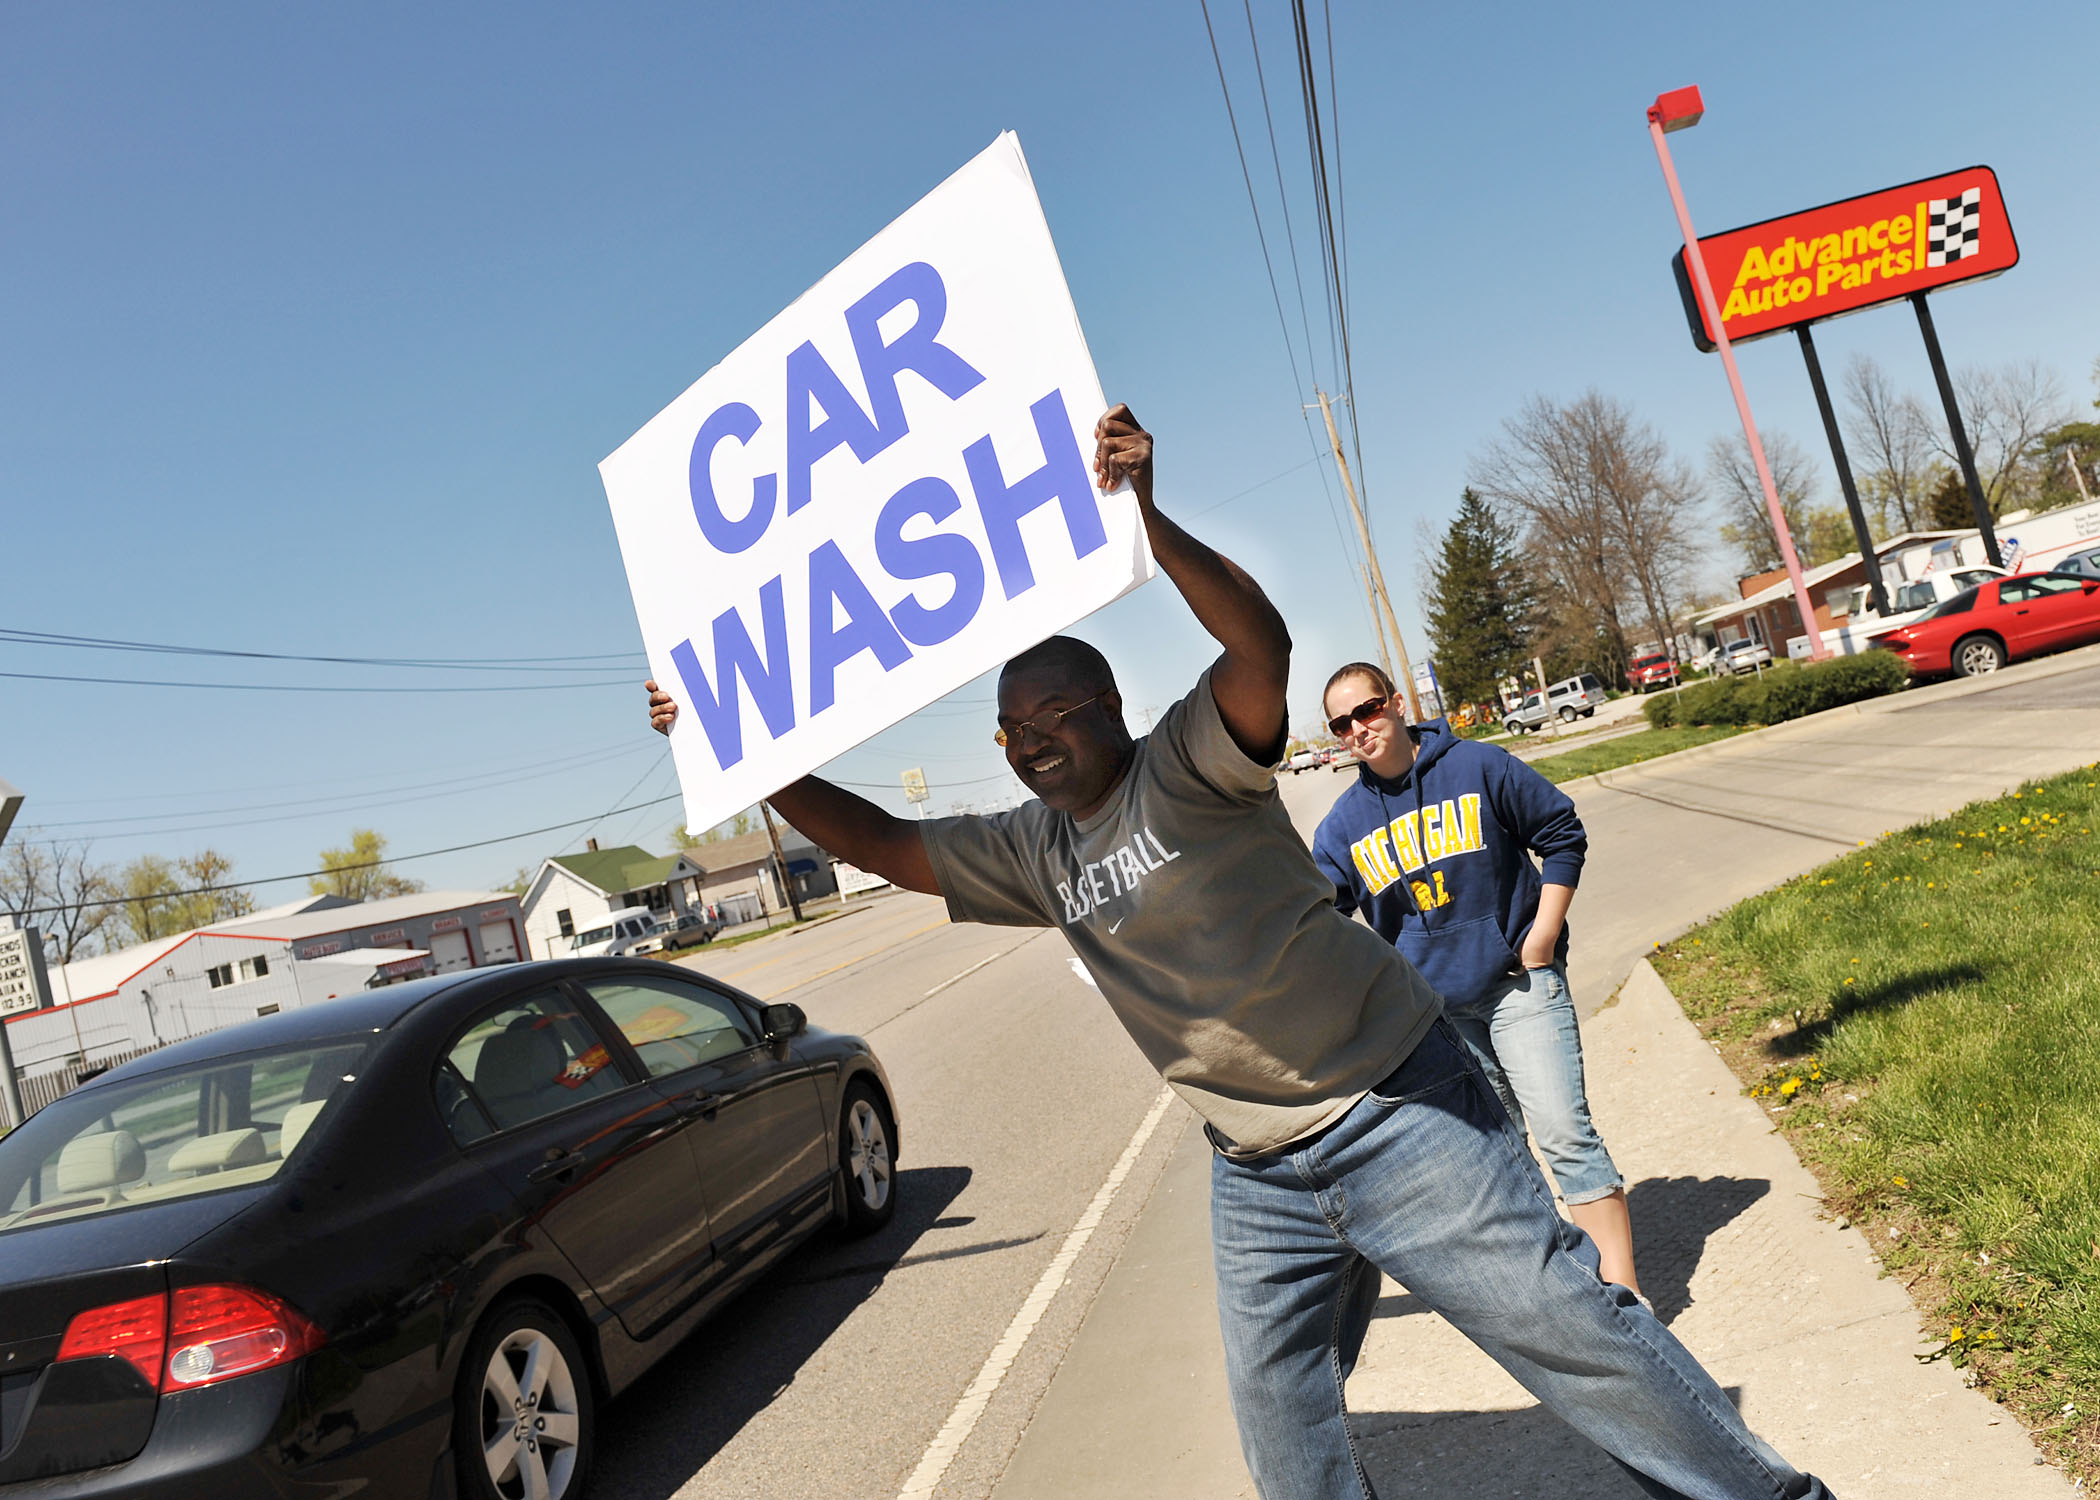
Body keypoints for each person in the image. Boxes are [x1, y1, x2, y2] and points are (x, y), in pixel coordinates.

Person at [647, 405, 1832, 1500]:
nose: (1031, 742)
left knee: (1569, 1331)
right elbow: (881, 841)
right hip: (1257, 1170)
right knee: (1285, 1432)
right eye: (1011, 732)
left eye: (1054, 715)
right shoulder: (1029, 850)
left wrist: (1148, 514)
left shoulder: (1188, 762)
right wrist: (736, 752)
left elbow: (1258, 642)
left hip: (1396, 1106)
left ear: (1110, 707)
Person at [1311, 664, 1640, 1296]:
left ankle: (1625, 1297)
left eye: (1368, 709)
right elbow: (1318, 917)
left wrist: (1541, 935)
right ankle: (1572, 1294)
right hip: (1439, 1018)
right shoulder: (1344, 825)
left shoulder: (1477, 766)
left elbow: (1561, 835)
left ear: (1397, 703)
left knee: (1563, 1133)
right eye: (1342, 724)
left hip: (1520, 986)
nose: (1359, 729)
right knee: (1503, 1156)